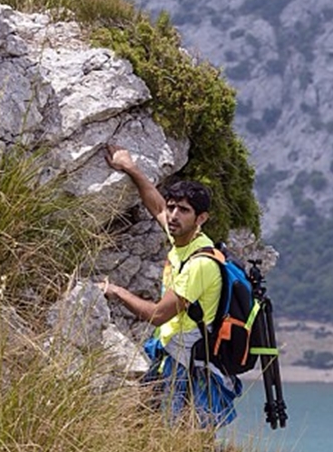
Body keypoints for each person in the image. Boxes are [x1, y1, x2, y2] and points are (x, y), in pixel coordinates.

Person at [98, 144, 242, 426]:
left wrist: (116, 291)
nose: (174, 215)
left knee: (168, 437)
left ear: (201, 219)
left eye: (184, 210)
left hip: (184, 365)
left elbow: (157, 314)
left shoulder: (200, 264)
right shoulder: (184, 240)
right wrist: (130, 167)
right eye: (174, 207)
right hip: (169, 354)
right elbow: (157, 205)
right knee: (142, 429)